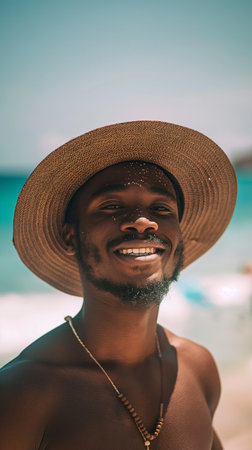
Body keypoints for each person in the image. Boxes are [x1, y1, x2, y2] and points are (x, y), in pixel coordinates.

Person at [0, 121, 237, 449]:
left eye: (161, 208)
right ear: (70, 237)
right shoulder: (24, 394)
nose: (144, 221)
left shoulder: (198, 369)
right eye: (111, 206)